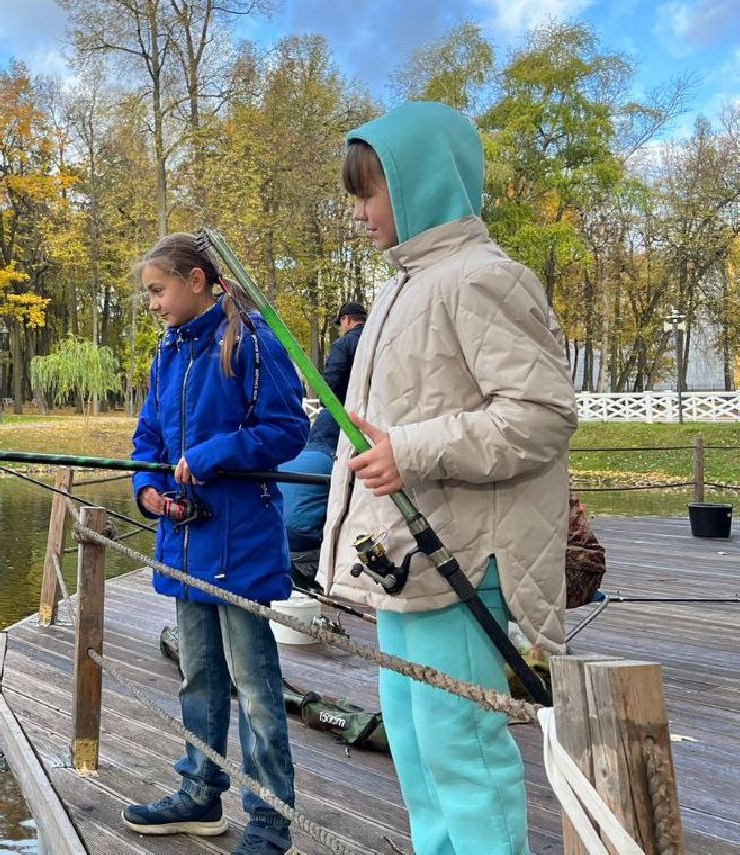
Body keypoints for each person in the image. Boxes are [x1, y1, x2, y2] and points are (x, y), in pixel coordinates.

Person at [318, 102, 576, 855]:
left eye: (370, 192)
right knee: (415, 745)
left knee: (462, 749)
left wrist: (415, 450)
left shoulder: (484, 278)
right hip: (410, 563)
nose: (360, 212)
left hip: (467, 557)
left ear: (420, 182)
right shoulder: (404, 284)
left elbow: (540, 416)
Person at [122, 233, 310, 855]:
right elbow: (148, 437)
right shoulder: (167, 352)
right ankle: (200, 793)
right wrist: (148, 489)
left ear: (196, 281)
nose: (152, 303)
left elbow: (287, 430)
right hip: (183, 539)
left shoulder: (253, 341)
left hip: (242, 543)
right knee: (198, 677)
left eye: (157, 290)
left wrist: (212, 456)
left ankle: (269, 822)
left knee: (255, 688)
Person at [279, 301, 367, 569]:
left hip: (344, 419)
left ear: (346, 321)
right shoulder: (380, 337)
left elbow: (331, 385)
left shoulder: (345, 344)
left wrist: (333, 411)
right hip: (375, 420)